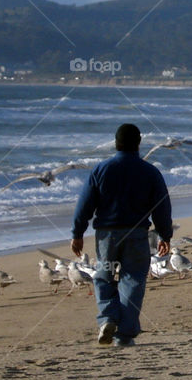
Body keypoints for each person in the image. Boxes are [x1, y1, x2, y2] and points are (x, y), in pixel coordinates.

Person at [71, 124, 173, 347]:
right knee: (133, 279)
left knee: (104, 276)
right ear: (138, 143)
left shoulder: (101, 169)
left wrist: (77, 233)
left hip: (107, 234)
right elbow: (162, 206)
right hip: (137, 233)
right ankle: (124, 334)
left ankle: (107, 318)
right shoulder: (150, 171)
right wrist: (165, 235)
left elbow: (85, 204)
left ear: (116, 143)